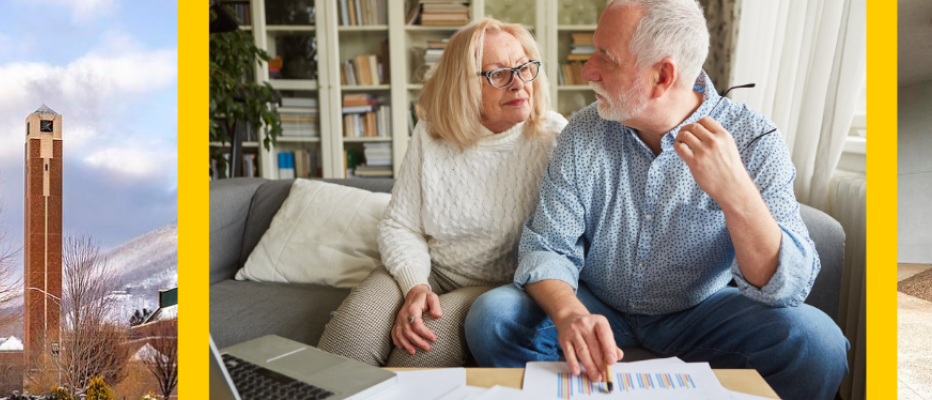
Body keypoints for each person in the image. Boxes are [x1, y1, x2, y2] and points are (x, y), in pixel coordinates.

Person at [463, 1, 848, 399]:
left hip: (701, 312)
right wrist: (570, 314)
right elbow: (547, 246)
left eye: (606, 58)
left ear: (662, 76)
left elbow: (789, 287)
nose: (587, 71)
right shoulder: (582, 132)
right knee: (493, 318)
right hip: (597, 302)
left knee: (818, 344)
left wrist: (737, 195)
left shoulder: (754, 139)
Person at [318, 18, 567, 367]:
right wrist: (415, 286)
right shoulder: (431, 133)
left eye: (524, 67)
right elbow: (400, 225)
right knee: (347, 340)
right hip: (431, 270)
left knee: (415, 353)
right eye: (498, 74)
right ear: (462, 85)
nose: (518, 83)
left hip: (497, 287)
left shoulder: (555, 138)